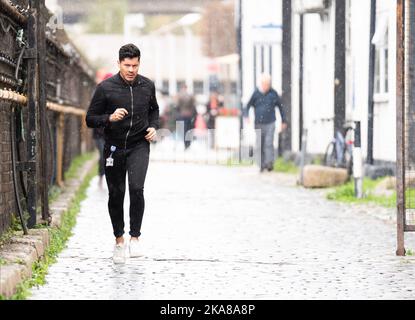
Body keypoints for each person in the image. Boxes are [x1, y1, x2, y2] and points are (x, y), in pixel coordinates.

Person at [86, 44, 159, 264]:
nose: (131, 70)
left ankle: (134, 237)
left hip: (139, 145)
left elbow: (154, 109)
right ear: (118, 63)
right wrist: (109, 117)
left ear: (139, 64)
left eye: (135, 65)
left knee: (136, 189)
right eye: (127, 65)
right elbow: (90, 118)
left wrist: (153, 126)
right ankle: (119, 240)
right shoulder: (105, 88)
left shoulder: (147, 86)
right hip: (114, 146)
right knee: (116, 193)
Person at [244, 73, 288, 172]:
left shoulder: (273, 93)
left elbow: (281, 107)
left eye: (268, 84)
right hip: (258, 123)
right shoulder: (256, 93)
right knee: (259, 144)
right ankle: (261, 164)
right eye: (264, 84)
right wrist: (246, 116)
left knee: (269, 143)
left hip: (270, 122)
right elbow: (247, 106)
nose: (266, 86)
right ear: (261, 83)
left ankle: (269, 164)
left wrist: (284, 120)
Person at [176, 84, 197, 149]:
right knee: (188, 129)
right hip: (188, 115)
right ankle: (188, 143)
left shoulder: (179, 96)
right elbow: (193, 106)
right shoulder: (190, 96)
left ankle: (186, 144)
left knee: (185, 129)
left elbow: (177, 107)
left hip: (183, 115)